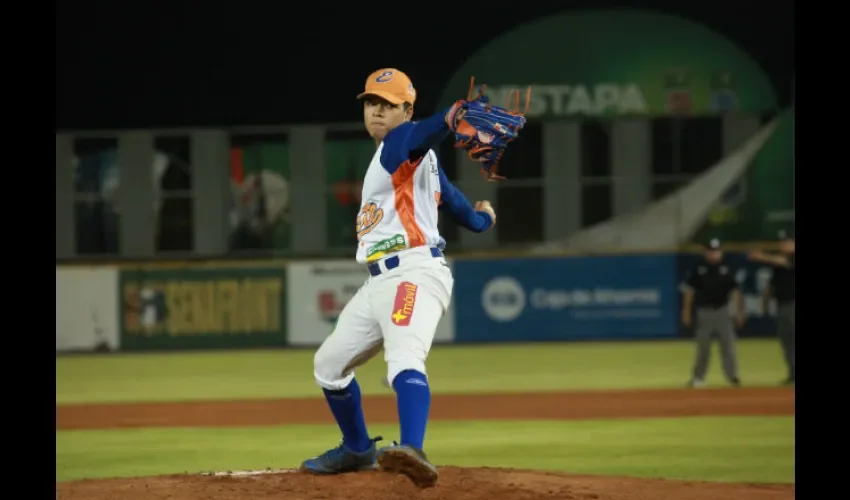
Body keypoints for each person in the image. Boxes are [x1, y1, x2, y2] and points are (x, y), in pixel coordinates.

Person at [299, 68, 497, 488]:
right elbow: (458, 206)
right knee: (329, 366)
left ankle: (413, 449)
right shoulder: (415, 162)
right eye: (371, 103)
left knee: (404, 358)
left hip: (414, 273)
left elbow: (418, 135)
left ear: (407, 110)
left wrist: (448, 118)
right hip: (379, 282)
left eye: (387, 105)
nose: (376, 112)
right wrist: (483, 220)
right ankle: (356, 449)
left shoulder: (400, 143)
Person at [681, 239, 746, 387]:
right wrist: (686, 311)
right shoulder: (698, 268)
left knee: (728, 346)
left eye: (716, 251)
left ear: (720, 252)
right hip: (704, 311)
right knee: (703, 347)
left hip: (722, 311)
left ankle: (733, 377)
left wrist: (739, 312)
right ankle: (698, 378)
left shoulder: (728, 268)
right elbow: (689, 292)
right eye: (710, 251)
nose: (713, 254)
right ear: (706, 252)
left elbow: (736, 292)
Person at [749, 231, 795, 385]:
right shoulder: (778, 265)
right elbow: (773, 284)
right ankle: (792, 374)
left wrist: (761, 256)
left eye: (787, 242)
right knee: (786, 341)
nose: (784, 245)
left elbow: (785, 262)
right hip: (782, 306)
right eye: (782, 242)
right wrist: (765, 300)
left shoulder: (788, 259)